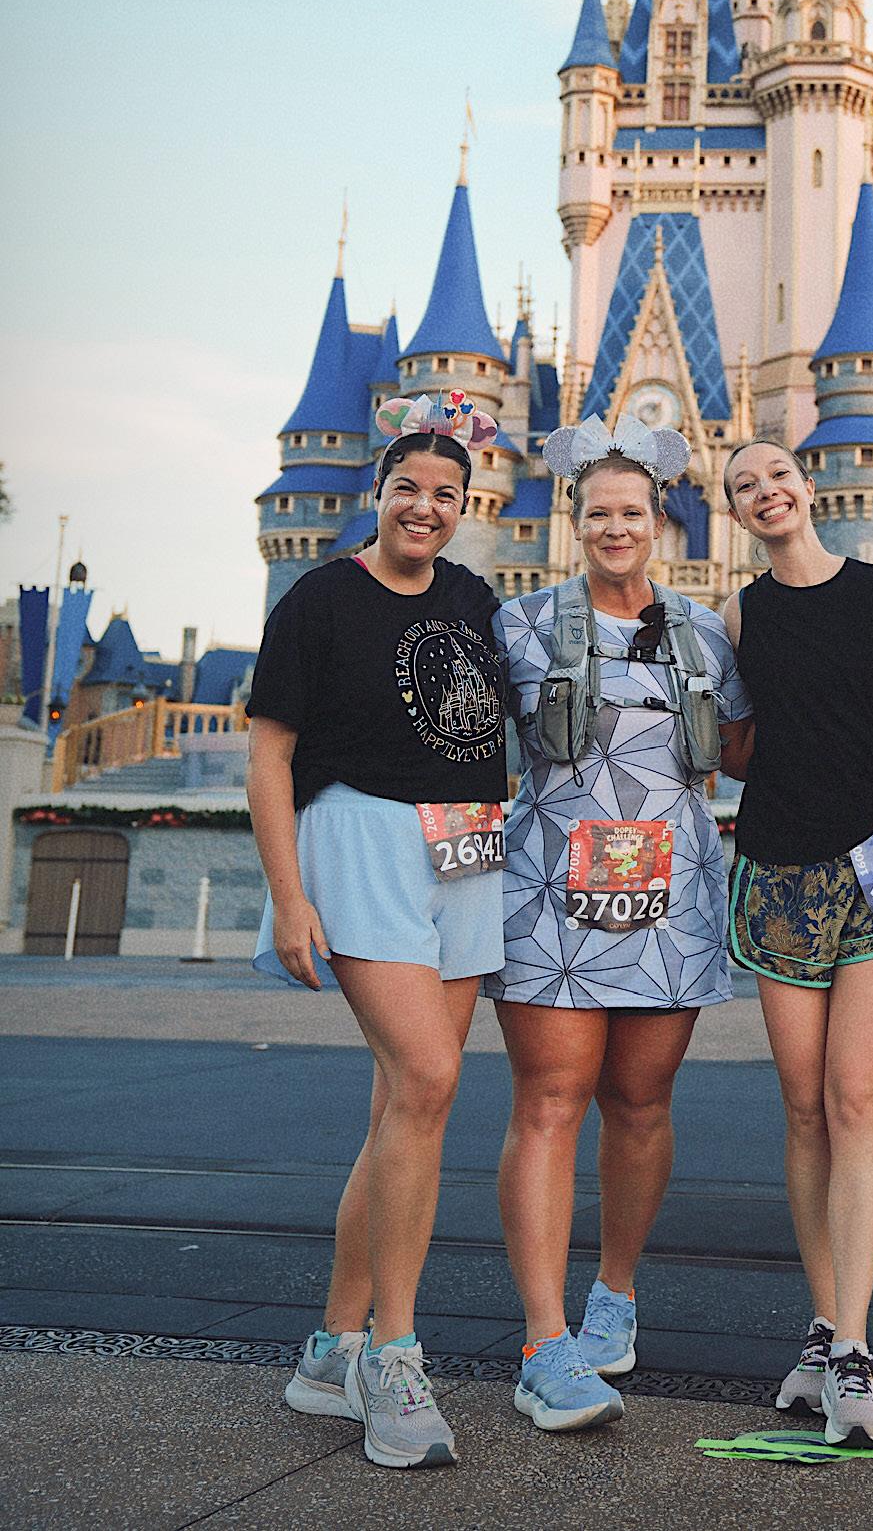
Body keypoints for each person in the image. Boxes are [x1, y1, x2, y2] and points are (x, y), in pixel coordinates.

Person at [247, 391, 507, 1470]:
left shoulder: (476, 597)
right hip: (360, 838)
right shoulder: (320, 597)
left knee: (407, 1104)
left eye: (446, 493)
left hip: (467, 849)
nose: (425, 506)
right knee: (431, 1080)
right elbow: (269, 754)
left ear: (465, 505)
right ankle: (394, 1355)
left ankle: (329, 1349)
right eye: (408, 487)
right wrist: (290, 894)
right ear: (379, 489)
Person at [486, 410, 753, 1432]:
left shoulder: (707, 633)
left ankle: (614, 1296)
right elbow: (460, 744)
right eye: (598, 511)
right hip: (550, 893)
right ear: (574, 517)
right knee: (551, 1101)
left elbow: (749, 748)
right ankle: (544, 1344)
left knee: (640, 1104)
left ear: (660, 517)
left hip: (669, 897)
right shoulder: (519, 625)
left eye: (632, 511)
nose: (615, 527)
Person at [720, 437, 873, 1449]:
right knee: (804, 1106)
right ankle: (822, 1325)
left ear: (808, 485)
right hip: (781, 871)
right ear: (735, 512)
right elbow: (732, 746)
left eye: (776, 476)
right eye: (743, 486)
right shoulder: (737, 614)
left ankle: (853, 1346)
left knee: (856, 1097)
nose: (766, 492)